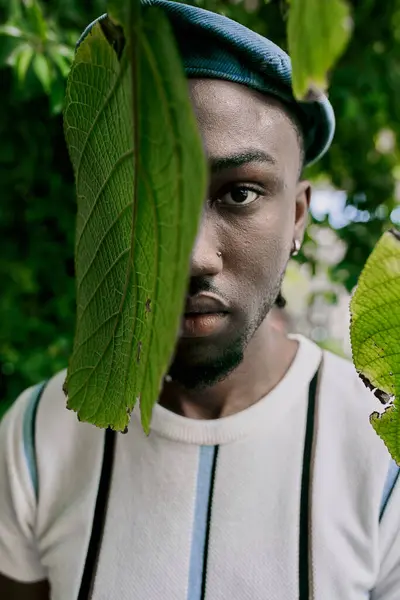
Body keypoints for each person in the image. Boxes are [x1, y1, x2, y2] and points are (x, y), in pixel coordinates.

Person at [0, 2, 399, 599]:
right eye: (148, 194)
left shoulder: (382, 455)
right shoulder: (37, 434)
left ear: (296, 216)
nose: (191, 256)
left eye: (239, 193)